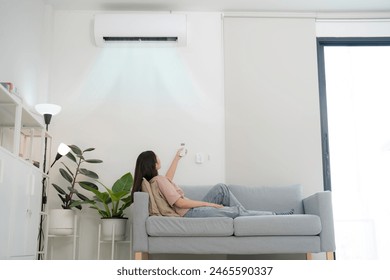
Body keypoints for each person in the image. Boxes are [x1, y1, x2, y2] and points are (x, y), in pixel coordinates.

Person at [132, 149, 294, 218]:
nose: (159, 158)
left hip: (187, 211)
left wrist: (177, 158)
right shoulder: (159, 180)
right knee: (235, 211)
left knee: (222, 189)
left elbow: (167, 180)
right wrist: (209, 205)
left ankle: (247, 215)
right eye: (157, 157)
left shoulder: (155, 181)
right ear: (152, 163)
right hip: (189, 213)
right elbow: (180, 202)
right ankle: (273, 216)